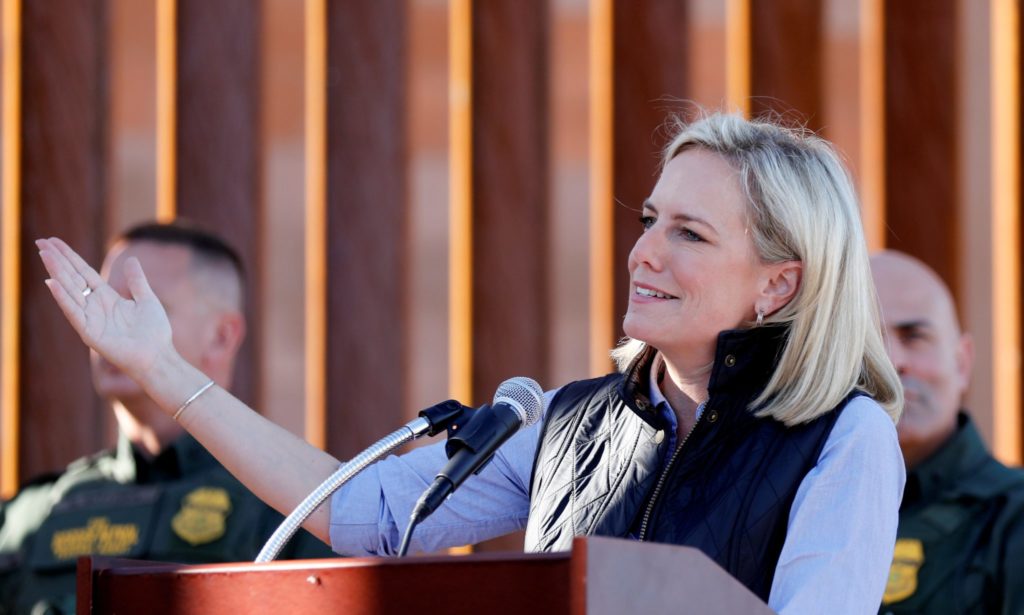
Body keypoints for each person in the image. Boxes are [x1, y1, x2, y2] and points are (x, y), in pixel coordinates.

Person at [36, 112, 906, 613]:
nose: (644, 251)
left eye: (690, 233)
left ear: (778, 283)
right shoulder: (564, 420)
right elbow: (363, 512)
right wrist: (164, 370)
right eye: (649, 219)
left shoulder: (846, 437)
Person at [0, 222, 333, 615]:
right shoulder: (37, 512)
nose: (112, 319)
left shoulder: (297, 510)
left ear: (221, 337)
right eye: (102, 299)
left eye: (140, 304)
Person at [872, 250, 1024, 614]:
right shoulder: (793, 515)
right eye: (868, 342)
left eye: (914, 336)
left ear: (962, 362)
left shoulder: (1014, 517)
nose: (892, 362)